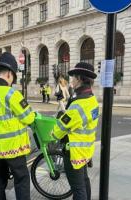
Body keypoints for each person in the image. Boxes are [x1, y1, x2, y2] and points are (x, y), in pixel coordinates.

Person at [0, 52, 35, 200]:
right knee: (21, 179)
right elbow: (28, 117)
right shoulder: (12, 94)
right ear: (9, 74)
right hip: (14, 148)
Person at [52, 62, 99, 200]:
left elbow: (59, 130)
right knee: (84, 182)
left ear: (79, 79)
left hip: (74, 153)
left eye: (73, 77)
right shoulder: (92, 99)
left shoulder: (78, 104)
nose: (71, 80)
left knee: (78, 189)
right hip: (85, 149)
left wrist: (53, 133)